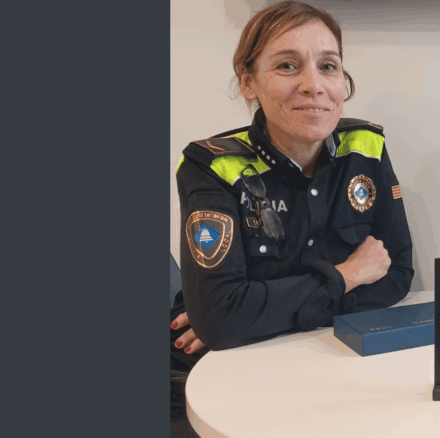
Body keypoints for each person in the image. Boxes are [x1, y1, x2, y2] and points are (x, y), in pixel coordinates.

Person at [170, 0, 414, 421]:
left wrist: (257, 312)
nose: (313, 85)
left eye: (328, 66)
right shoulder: (211, 165)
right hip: (225, 372)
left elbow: (397, 275)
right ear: (248, 82)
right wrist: (347, 275)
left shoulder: (366, 147)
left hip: (325, 359)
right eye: (287, 66)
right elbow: (221, 319)